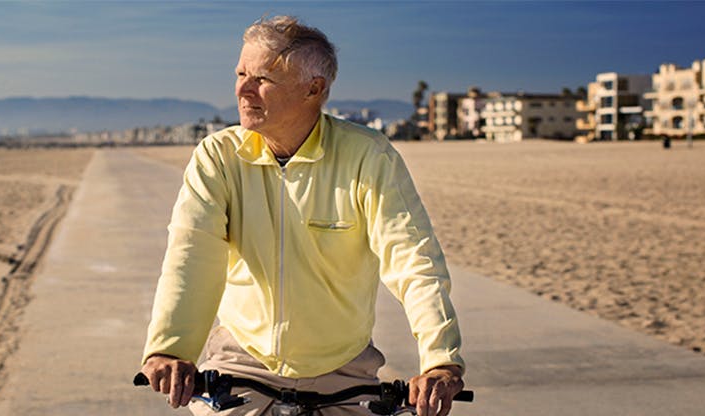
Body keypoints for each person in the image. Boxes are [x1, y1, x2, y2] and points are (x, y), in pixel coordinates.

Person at [140, 15, 465, 416]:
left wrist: (440, 359)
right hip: (240, 361)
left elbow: (413, 260)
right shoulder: (218, 157)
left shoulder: (367, 156)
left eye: (262, 79)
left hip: (344, 367)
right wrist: (170, 349)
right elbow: (191, 255)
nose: (243, 89)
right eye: (240, 73)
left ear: (314, 89)